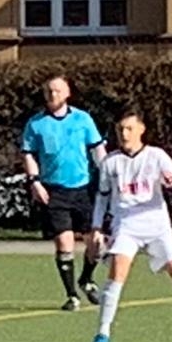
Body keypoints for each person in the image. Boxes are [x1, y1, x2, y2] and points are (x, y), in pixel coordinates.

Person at [88, 107, 172, 342]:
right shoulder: (110, 162)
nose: (124, 134)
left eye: (129, 129)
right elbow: (102, 197)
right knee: (117, 273)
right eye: (120, 129)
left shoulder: (157, 156)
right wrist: (96, 227)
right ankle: (102, 333)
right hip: (126, 227)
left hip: (157, 227)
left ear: (141, 130)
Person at [20, 75, 107, 311]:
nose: (53, 95)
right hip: (54, 191)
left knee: (96, 242)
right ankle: (72, 295)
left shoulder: (82, 119)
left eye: (58, 90)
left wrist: (108, 176)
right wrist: (35, 182)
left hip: (83, 189)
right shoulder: (36, 124)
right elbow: (28, 154)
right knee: (64, 242)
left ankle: (86, 279)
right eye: (49, 91)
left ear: (67, 93)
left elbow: (97, 149)